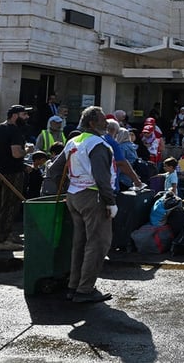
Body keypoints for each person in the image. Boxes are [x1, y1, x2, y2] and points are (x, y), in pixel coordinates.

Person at [46, 106, 115, 303]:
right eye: (103, 119)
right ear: (92, 123)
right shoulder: (97, 144)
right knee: (98, 243)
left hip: (74, 196)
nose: (106, 122)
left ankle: (74, 285)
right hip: (93, 197)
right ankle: (85, 289)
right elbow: (102, 177)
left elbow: (53, 170)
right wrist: (110, 202)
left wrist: (71, 183)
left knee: (80, 242)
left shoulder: (73, 141)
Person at [0, 104, 33, 252]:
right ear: (15, 116)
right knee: (10, 206)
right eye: (24, 115)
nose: (27, 118)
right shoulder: (15, 131)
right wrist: (28, 150)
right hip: (12, 173)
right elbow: (16, 153)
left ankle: (6, 234)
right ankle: (1, 241)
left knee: (1, 206)